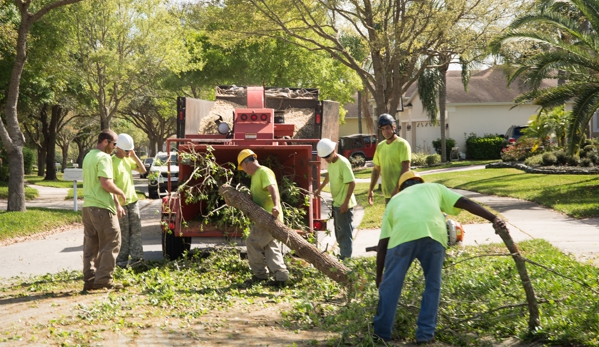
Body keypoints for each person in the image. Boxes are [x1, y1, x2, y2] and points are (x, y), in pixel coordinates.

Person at [372, 170, 507, 344]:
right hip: (434, 236)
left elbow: (383, 245)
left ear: (400, 188)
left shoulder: (394, 201)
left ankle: (381, 335)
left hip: (402, 239)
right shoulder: (434, 188)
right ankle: (425, 335)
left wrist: (379, 276)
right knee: (432, 285)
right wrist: (493, 218)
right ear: (420, 181)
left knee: (391, 286)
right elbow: (464, 202)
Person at [81, 129, 126, 291]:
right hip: (102, 208)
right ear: (106, 142)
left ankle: (90, 280)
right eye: (114, 144)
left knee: (90, 245)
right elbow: (106, 183)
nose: (115, 147)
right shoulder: (104, 157)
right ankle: (103, 280)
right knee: (112, 242)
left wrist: (117, 204)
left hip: (88, 208)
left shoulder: (88, 156)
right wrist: (120, 192)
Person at [237, 149, 289, 286]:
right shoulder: (255, 176)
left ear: (246, 163)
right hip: (264, 217)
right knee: (270, 245)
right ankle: (281, 277)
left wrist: (276, 206)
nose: (243, 170)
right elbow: (257, 195)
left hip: (269, 217)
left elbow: (273, 189)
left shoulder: (264, 172)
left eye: (242, 167)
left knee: (252, 242)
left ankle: (260, 275)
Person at [314, 138, 357, 260]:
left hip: (344, 205)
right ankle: (344, 256)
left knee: (344, 234)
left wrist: (345, 203)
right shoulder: (332, 163)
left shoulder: (343, 163)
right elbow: (329, 175)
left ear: (333, 150)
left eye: (327, 156)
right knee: (340, 232)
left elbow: (352, 183)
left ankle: (346, 261)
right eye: (324, 157)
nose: (326, 159)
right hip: (337, 203)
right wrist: (320, 188)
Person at [112, 133, 146, 267]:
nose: (128, 152)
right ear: (118, 148)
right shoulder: (112, 162)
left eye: (130, 150)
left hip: (133, 202)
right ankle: (121, 262)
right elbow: (111, 186)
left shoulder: (128, 159)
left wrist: (134, 155)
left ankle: (137, 260)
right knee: (124, 234)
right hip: (122, 204)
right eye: (127, 150)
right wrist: (117, 205)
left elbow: (142, 170)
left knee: (136, 231)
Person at [368, 113, 411, 206]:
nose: (385, 131)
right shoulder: (380, 146)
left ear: (394, 127)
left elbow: (406, 168)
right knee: (391, 220)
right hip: (388, 194)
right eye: (382, 129)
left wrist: (397, 189)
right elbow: (376, 169)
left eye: (387, 128)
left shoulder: (402, 144)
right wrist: (371, 189)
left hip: (401, 193)